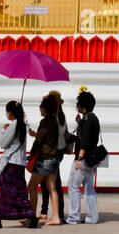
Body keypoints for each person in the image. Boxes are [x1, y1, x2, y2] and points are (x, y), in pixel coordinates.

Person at [0, 100, 38, 229]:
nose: (6, 114)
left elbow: (2, 144)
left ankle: (1, 218)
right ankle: (28, 216)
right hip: (19, 164)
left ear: (11, 113)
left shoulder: (14, 125)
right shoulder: (22, 124)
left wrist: (3, 130)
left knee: (4, 192)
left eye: (7, 112)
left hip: (11, 164)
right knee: (19, 192)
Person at [66, 88, 101, 224]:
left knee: (73, 186)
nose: (77, 107)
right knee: (89, 188)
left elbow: (85, 142)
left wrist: (79, 159)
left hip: (84, 159)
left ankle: (73, 217)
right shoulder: (92, 118)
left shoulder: (88, 120)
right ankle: (92, 217)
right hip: (92, 160)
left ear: (83, 107)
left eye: (78, 105)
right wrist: (79, 123)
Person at [27, 94, 61, 225]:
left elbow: (39, 141)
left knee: (31, 187)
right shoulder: (55, 121)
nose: (39, 109)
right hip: (53, 159)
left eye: (40, 107)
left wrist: (31, 153)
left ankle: (32, 217)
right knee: (52, 188)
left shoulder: (45, 122)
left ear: (45, 109)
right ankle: (56, 216)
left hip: (44, 160)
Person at [40, 90, 68, 221]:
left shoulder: (53, 118)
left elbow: (49, 137)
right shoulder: (62, 116)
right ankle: (57, 213)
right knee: (54, 183)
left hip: (52, 152)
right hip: (60, 151)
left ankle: (50, 212)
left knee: (50, 183)